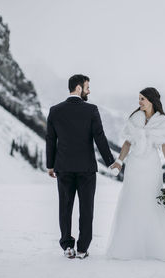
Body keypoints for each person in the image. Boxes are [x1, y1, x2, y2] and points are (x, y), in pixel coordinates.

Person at [107, 87, 165, 261]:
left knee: (152, 201)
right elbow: (127, 143)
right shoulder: (135, 118)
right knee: (131, 200)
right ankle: (128, 247)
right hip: (134, 165)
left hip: (151, 166)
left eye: (142, 99)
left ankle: (156, 246)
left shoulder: (163, 121)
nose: (139, 102)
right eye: (139, 98)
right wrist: (119, 162)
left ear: (151, 100)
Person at [46, 74, 115, 259]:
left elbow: (51, 140)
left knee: (65, 208)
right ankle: (83, 248)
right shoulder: (91, 110)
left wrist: (50, 165)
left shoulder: (54, 110)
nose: (89, 91)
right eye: (87, 87)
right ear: (78, 88)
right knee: (86, 209)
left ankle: (68, 247)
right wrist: (110, 161)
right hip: (86, 169)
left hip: (64, 168)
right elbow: (99, 137)